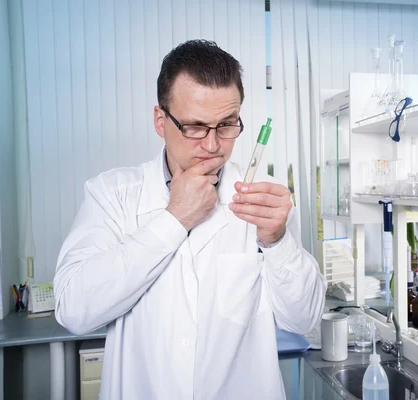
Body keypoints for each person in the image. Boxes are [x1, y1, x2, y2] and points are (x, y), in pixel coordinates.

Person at [54, 39, 327, 400]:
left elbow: (304, 320)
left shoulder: (265, 202)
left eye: (226, 124)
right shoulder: (112, 194)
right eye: (195, 127)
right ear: (159, 120)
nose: (213, 145)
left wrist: (277, 243)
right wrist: (174, 219)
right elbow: (74, 311)